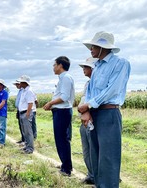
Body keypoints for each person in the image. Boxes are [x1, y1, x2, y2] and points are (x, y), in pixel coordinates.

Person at [78, 31, 131, 187]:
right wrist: (86, 111)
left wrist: (88, 105)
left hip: (109, 113)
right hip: (95, 113)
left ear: (103, 47)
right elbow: (90, 91)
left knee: (108, 157)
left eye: (94, 46)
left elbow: (112, 90)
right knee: (96, 155)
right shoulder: (97, 67)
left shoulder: (120, 63)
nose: (91, 49)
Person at [43, 56, 75, 176]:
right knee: (60, 139)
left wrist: (50, 103)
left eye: (54, 65)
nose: (53, 67)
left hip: (63, 112)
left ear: (60, 65)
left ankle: (66, 169)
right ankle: (65, 164)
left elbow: (65, 97)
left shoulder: (66, 77)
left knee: (62, 140)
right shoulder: (62, 78)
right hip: (59, 111)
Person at [78, 57, 98, 185]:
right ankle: (91, 175)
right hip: (84, 122)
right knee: (87, 151)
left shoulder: (97, 84)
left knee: (95, 151)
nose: (83, 69)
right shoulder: (87, 84)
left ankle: (98, 177)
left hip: (92, 120)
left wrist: (85, 111)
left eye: (86, 67)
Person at [17, 75, 36, 154]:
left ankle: (30, 148)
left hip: (26, 112)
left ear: (25, 82)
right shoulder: (24, 91)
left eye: (21, 82)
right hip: (22, 112)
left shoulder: (29, 91)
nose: (19, 83)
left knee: (28, 131)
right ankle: (27, 146)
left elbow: (30, 103)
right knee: (25, 131)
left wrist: (28, 113)